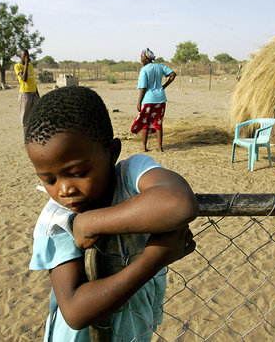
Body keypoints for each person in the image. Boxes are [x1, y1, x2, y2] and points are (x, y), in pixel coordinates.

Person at [25, 86, 198, 341]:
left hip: (136, 329)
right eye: (49, 180)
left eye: (78, 173)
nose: (65, 190)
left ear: (112, 152)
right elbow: (75, 311)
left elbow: (179, 202)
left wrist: (91, 222)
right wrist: (156, 258)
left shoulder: (129, 174)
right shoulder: (57, 220)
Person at [131, 48, 176, 152]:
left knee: (145, 122)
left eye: (142, 56)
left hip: (148, 100)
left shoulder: (144, 70)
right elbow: (173, 74)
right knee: (158, 122)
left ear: (146, 58)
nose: (140, 58)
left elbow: (143, 87)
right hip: (160, 99)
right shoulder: (160, 67)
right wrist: (164, 86)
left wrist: (139, 102)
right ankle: (160, 148)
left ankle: (144, 147)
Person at [14, 49, 40, 130]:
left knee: (37, 114)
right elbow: (24, 78)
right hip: (25, 94)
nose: (27, 57)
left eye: (28, 55)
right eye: (24, 56)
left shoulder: (31, 66)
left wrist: (37, 94)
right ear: (20, 57)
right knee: (25, 118)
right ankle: (26, 134)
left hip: (33, 93)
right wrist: (25, 64)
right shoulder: (18, 66)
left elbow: (33, 81)